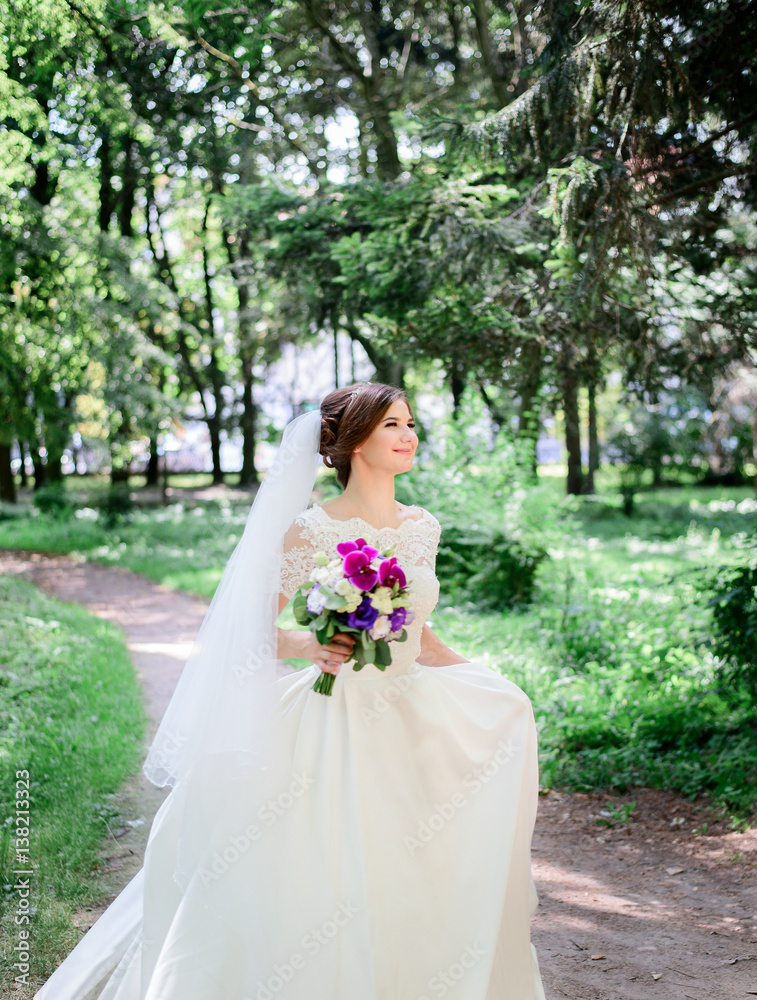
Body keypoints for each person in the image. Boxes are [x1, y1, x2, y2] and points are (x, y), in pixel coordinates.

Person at [35, 381, 545, 1000]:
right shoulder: (311, 530)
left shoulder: (422, 526)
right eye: (392, 426)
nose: (409, 436)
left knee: (416, 868)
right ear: (355, 441)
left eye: (411, 424)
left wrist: (487, 682)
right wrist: (307, 644)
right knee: (326, 873)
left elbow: (422, 636)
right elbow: (245, 632)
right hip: (335, 716)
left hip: (410, 709)